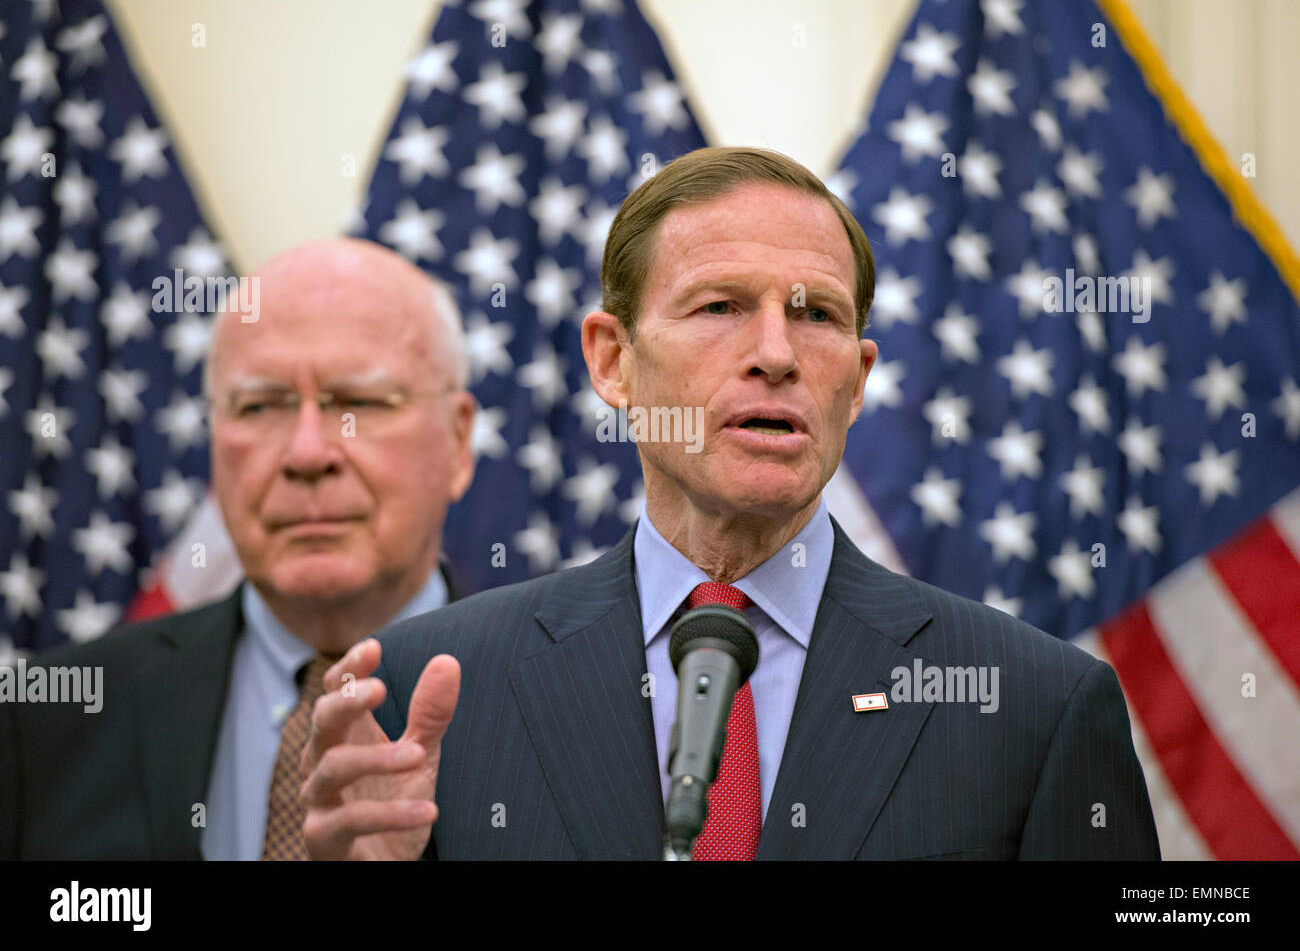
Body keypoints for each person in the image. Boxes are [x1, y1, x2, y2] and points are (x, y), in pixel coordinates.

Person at [299, 149, 1160, 861]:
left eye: (816, 313)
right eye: (721, 307)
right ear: (612, 361)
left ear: (856, 383)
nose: (777, 354)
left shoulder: (1034, 705)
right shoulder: (425, 688)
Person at [0, 238, 477, 860]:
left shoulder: (581, 717)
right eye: (261, 406)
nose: (308, 453)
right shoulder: (45, 722)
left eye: (359, 401)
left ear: (458, 442)